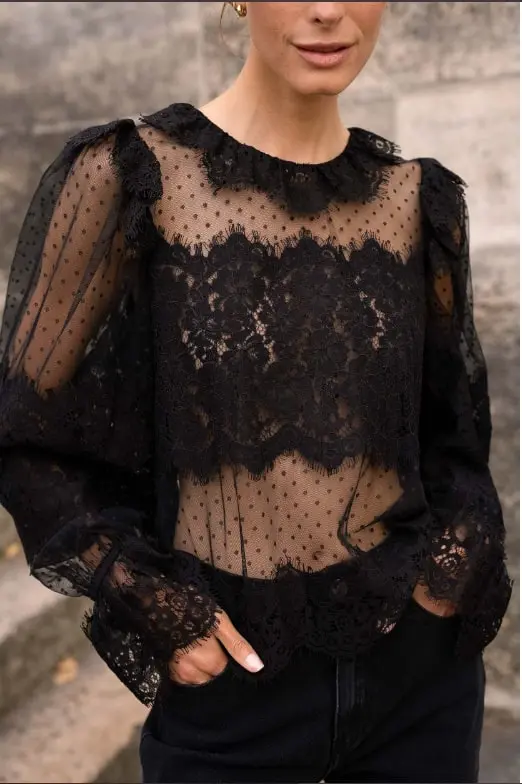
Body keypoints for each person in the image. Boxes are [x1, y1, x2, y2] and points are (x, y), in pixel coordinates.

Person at [0, 2, 512, 782]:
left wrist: (448, 580)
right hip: (234, 696)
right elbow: (23, 434)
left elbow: (456, 442)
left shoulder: (419, 201)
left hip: (420, 687)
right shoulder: (132, 176)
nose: (328, 10)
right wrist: (151, 602)